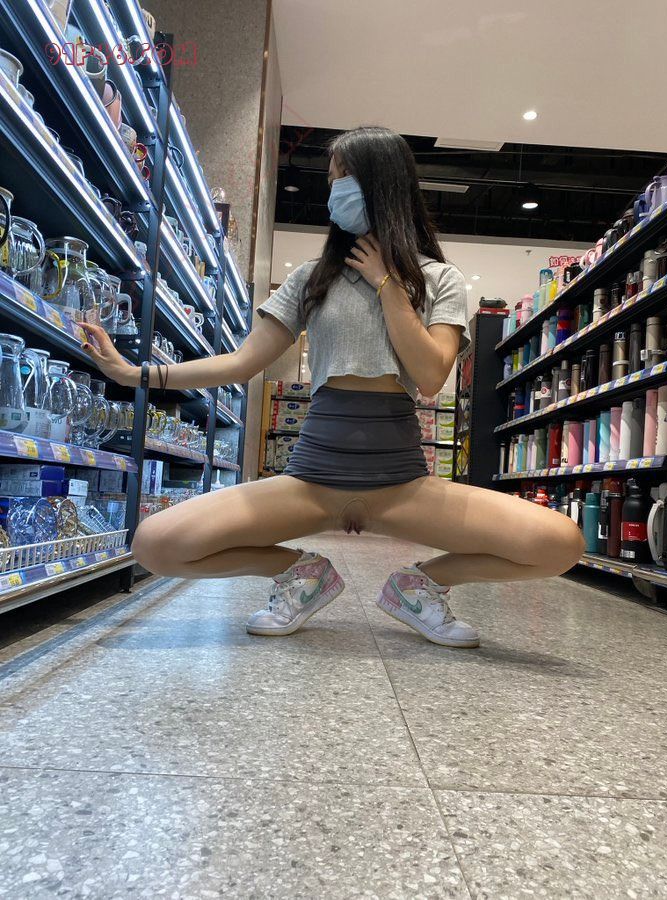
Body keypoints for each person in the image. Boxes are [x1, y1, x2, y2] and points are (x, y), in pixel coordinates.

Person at [81, 126, 584, 649]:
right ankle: (301, 573)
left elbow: (432, 375)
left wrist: (388, 285)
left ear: (381, 184)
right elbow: (241, 363)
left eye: (342, 178)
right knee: (156, 544)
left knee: (559, 543)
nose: (333, 192)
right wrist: (136, 374)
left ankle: (420, 586)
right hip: (312, 481)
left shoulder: (439, 279)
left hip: (402, 486)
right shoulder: (311, 278)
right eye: (331, 181)